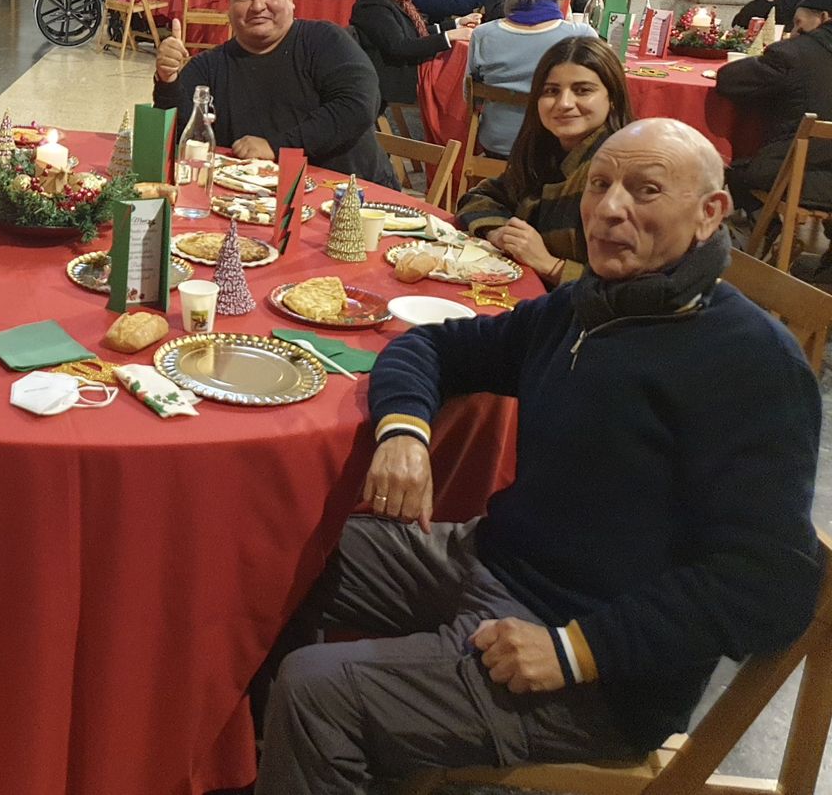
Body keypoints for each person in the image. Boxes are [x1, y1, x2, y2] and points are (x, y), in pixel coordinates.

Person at [256, 118, 821, 795]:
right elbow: (432, 346)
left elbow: (768, 584)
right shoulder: (590, 307)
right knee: (279, 547)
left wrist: (577, 648)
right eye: (601, 184)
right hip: (492, 559)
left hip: (601, 672)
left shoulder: (752, 362)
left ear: (710, 213)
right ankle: (276, 762)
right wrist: (403, 428)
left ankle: (315, 746)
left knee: (317, 692)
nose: (611, 208)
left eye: (644, 190)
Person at [153, 0, 394, 183]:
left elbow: (359, 106)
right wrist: (168, 80)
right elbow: (178, 136)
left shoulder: (325, 41)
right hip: (246, 205)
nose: (257, 6)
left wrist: (276, 146)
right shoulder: (210, 66)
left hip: (349, 197)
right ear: (229, 6)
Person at [456, 35, 630, 285]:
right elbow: (481, 197)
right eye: (551, 91)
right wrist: (499, 232)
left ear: (612, 98)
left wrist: (549, 265)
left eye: (582, 90)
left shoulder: (620, 170)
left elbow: (633, 290)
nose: (564, 103)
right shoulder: (546, 153)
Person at [467, 0, 597, 157]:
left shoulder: (483, 35)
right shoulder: (581, 36)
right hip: (556, 146)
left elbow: (470, 96)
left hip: (498, 144)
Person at [715, 0, 832, 212]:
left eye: (798, 23)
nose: (795, 30)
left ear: (824, 18)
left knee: (737, 171)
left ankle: (761, 229)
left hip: (801, 175)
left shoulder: (793, 54)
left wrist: (791, 44)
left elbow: (729, 80)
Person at [351, 0, 476, 116]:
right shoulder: (374, 1)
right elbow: (400, 46)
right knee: (458, 87)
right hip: (394, 78)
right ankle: (457, 137)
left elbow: (416, 32)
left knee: (460, 78)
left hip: (407, 68)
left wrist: (457, 23)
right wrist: (450, 37)